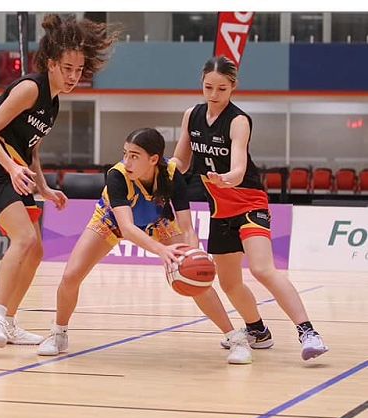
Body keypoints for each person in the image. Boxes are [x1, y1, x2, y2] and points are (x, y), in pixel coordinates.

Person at [0, 14, 120, 347]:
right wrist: (12, 168)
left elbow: (31, 150)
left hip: (16, 171)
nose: (73, 76)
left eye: (79, 70)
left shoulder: (52, 102)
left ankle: (9, 322)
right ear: (51, 63)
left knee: (36, 251)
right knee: (23, 238)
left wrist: (44, 187)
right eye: (67, 68)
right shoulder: (30, 88)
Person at [37, 128, 250, 363]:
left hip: (159, 222)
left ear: (153, 159)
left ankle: (235, 338)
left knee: (197, 278)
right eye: (125, 153)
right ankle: (58, 333)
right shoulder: (117, 175)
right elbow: (127, 228)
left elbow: (187, 227)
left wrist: (193, 252)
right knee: (71, 276)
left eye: (134, 156)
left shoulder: (171, 174)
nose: (126, 161)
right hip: (110, 221)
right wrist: (161, 251)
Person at [172, 55, 329, 362]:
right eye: (208, 87)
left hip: (248, 202)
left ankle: (308, 332)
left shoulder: (238, 121)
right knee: (229, 282)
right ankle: (258, 330)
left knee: (261, 269)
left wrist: (225, 178)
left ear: (233, 87)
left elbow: (239, 169)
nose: (214, 94)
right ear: (201, 83)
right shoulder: (191, 115)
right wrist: (160, 169)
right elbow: (182, 161)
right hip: (219, 209)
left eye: (221, 89)